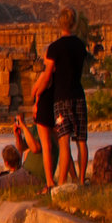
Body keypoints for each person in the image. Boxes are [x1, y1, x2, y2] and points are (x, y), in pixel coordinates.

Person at [36, 10, 91, 187]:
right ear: (74, 23)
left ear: (60, 24)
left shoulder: (55, 47)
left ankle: (62, 182)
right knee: (81, 140)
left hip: (62, 98)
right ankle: (81, 180)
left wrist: (37, 94)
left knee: (64, 139)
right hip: (79, 95)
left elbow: (47, 74)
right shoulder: (81, 46)